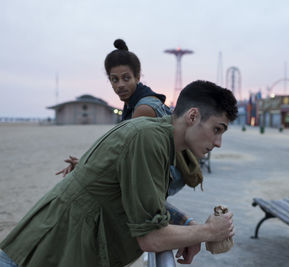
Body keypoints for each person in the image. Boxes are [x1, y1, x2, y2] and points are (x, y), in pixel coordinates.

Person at [0, 80, 238, 266]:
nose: (218, 142)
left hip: (51, 251)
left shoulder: (158, 137)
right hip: (41, 256)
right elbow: (151, 238)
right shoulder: (148, 139)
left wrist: (187, 225)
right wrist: (207, 232)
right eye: (217, 129)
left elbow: (140, 201)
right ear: (193, 116)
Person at [56, 39, 202, 196]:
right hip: (156, 175)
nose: (120, 85)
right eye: (114, 79)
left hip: (164, 180)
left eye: (126, 78)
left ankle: (189, 222)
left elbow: (125, 157)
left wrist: (87, 168)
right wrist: (86, 165)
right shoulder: (134, 102)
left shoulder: (144, 108)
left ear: (138, 77)